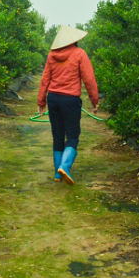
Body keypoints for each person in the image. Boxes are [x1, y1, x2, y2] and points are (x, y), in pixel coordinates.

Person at [37, 25, 100, 185]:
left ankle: (58, 174)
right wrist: (95, 100)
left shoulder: (52, 55)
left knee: (57, 136)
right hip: (71, 100)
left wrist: (41, 101)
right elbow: (89, 79)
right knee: (72, 136)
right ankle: (65, 166)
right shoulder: (79, 54)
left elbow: (45, 79)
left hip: (54, 99)